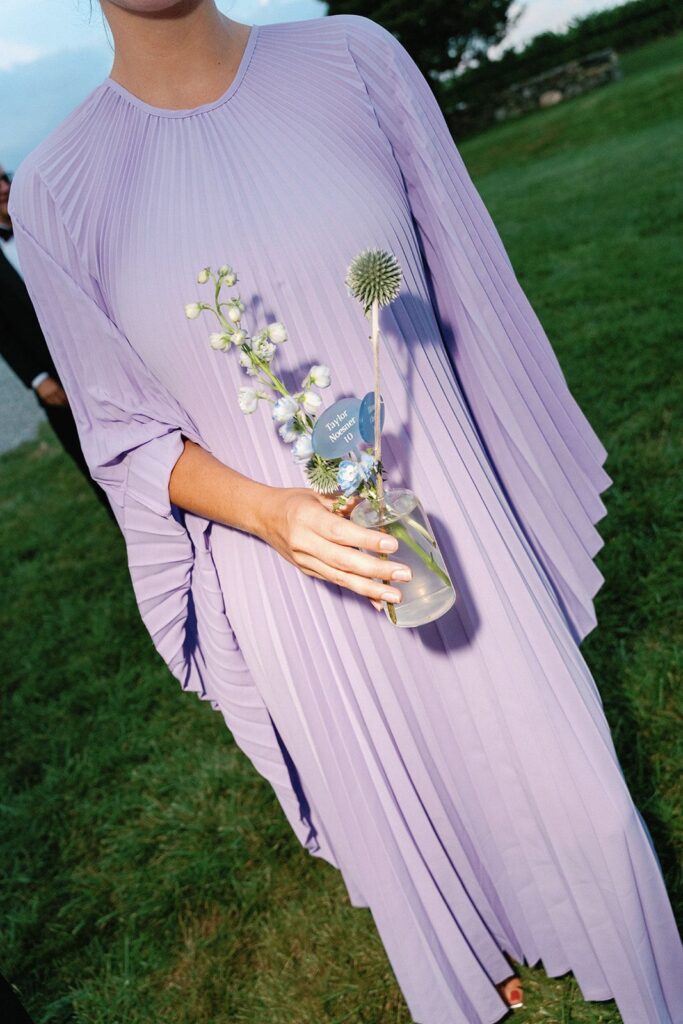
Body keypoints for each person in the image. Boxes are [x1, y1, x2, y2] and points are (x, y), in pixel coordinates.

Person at [8, 3, 682, 1022]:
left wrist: (496, 489)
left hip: (447, 520)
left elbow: (468, 286)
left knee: (588, 813)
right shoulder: (59, 188)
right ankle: (469, 952)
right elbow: (122, 437)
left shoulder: (354, 59)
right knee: (409, 835)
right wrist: (270, 514)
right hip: (288, 583)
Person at [0, 164, 115, 520]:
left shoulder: (46, 222)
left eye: (1, 179)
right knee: (93, 456)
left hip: (97, 351)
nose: (1, 189)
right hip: (51, 374)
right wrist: (36, 379)